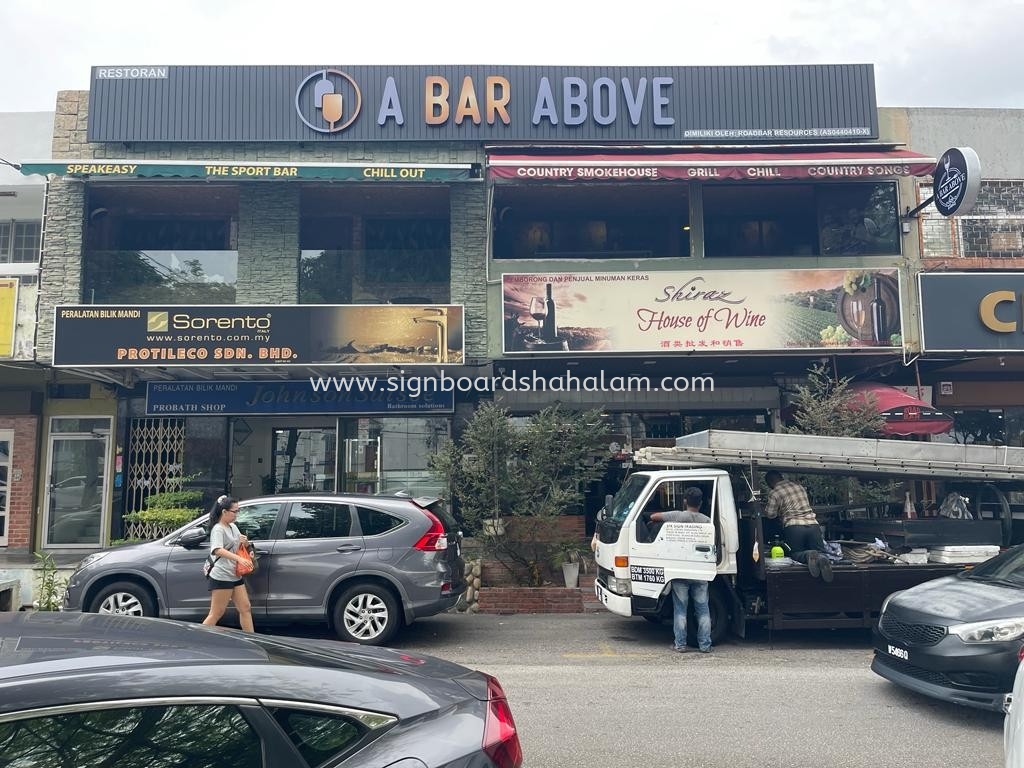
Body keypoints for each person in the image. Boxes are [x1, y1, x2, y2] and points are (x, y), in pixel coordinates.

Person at [649, 487, 713, 654]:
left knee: (680, 610)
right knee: (703, 610)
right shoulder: (707, 521)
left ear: (685, 501)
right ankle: (705, 645)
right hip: (701, 571)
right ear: (701, 502)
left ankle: (680, 645)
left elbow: (653, 517)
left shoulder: (677, 515)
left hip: (680, 570)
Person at [763, 470, 832, 582]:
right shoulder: (799, 486)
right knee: (820, 552)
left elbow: (770, 515)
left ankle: (808, 555)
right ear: (781, 477)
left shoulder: (775, 492)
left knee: (794, 554)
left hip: (794, 527)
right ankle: (821, 557)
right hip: (813, 525)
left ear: (770, 482)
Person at [202, 495, 254, 632]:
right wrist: (239, 559)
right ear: (224, 512)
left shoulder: (233, 527)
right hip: (222, 575)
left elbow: (238, 546)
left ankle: (252, 639)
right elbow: (217, 550)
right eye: (234, 511)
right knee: (216, 613)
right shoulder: (218, 529)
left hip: (235, 574)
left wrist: (245, 543)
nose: (237, 514)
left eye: (238, 511)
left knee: (245, 608)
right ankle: (198, 638)